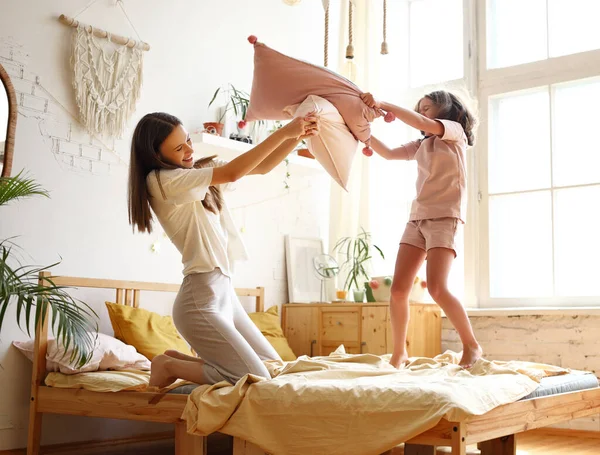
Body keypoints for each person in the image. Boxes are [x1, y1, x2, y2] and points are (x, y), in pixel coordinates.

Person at [128, 112, 319, 386]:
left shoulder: (197, 176)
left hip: (225, 294)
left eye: (189, 141)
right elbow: (233, 172)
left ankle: (173, 359)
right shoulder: (160, 181)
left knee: (273, 368)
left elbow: (262, 166)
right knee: (254, 379)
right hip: (200, 299)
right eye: (179, 148)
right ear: (156, 155)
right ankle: (169, 366)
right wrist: (286, 131)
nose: (190, 150)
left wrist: (296, 137)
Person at [361, 90, 482, 369]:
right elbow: (389, 154)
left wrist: (384, 103)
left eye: (427, 108)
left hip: (445, 218)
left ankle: (472, 345)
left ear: (447, 111)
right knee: (399, 290)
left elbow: (421, 123)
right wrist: (359, 131)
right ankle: (399, 353)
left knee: (438, 288)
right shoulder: (421, 144)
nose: (423, 113)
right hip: (417, 219)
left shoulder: (454, 132)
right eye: (421, 109)